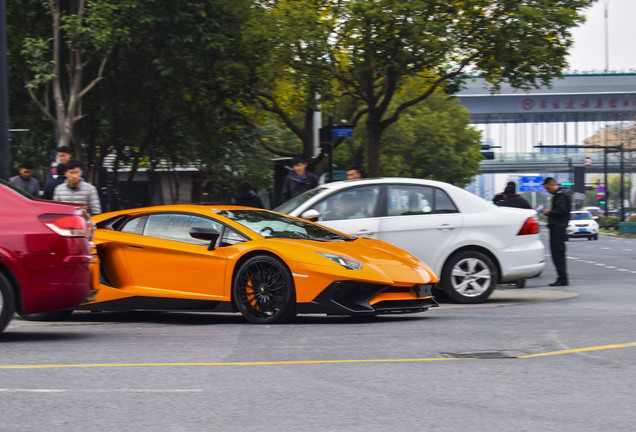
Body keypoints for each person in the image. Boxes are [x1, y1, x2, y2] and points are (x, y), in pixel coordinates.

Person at [541, 177, 571, 286]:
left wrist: (550, 213)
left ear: (552, 184)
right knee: (556, 254)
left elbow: (561, 211)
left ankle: (562, 278)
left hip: (558, 228)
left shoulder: (561, 195)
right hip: (557, 227)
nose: (548, 191)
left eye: (548, 188)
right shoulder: (560, 194)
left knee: (558, 253)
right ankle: (561, 277)